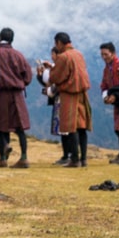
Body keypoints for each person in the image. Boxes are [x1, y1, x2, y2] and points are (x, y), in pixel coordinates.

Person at [0, 27, 33, 169]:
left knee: (0, 126)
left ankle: (3, 157)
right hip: (17, 95)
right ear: (12, 39)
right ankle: (24, 157)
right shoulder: (18, 55)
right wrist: (20, 83)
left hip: (0, 95)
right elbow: (28, 76)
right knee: (20, 127)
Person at [47, 32, 92, 167]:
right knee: (81, 126)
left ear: (59, 43)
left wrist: (50, 70)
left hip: (69, 93)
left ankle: (74, 159)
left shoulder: (63, 57)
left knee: (70, 126)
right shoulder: (79, 54)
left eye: (56, 44)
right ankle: (83, 158)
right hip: (82, 93)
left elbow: (55, 77)